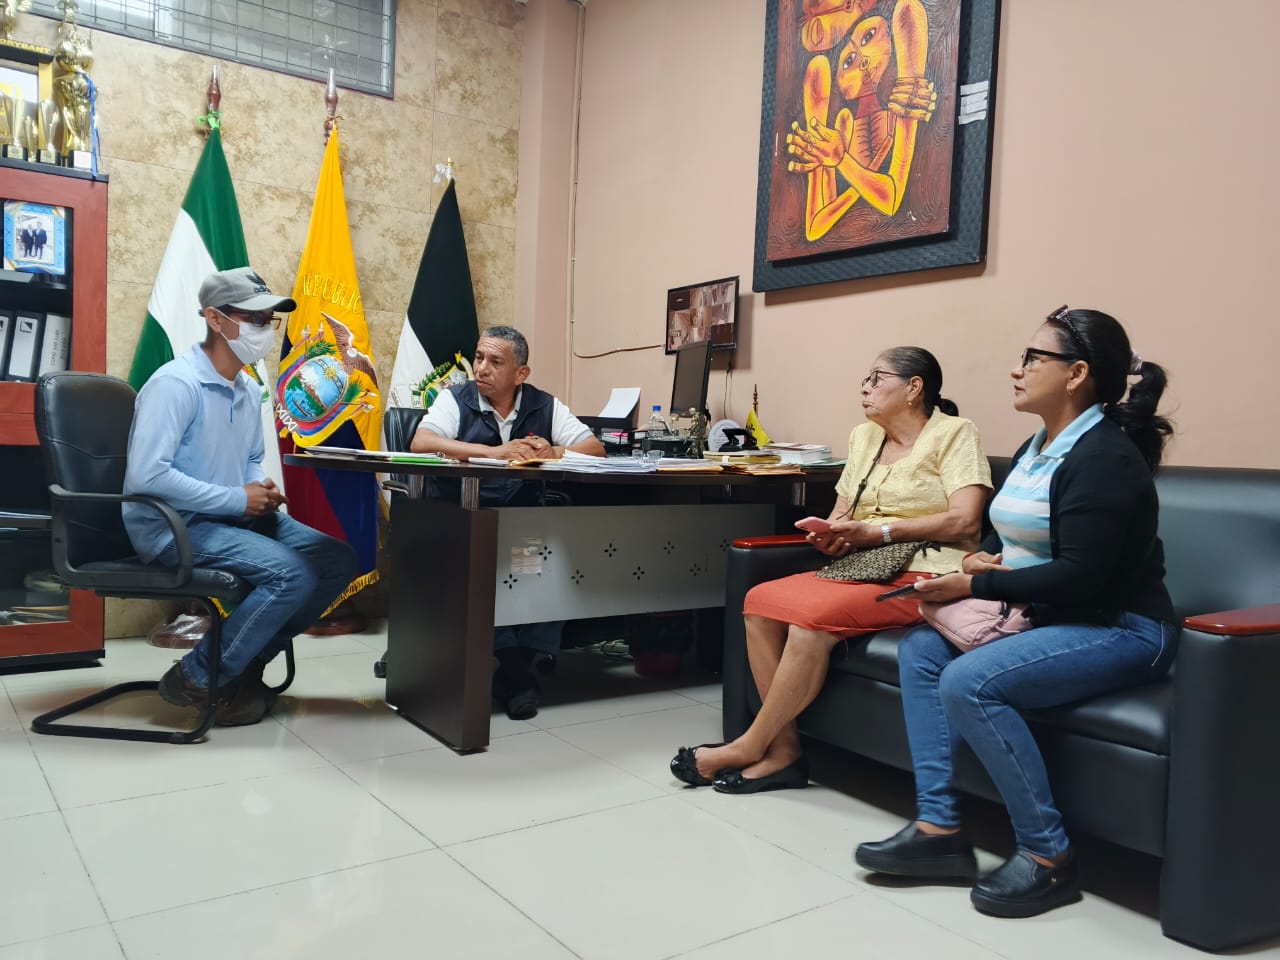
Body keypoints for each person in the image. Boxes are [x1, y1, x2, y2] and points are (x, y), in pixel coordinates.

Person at [856, 308, 1177, 920]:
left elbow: (1085, 576)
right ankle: (939, 831)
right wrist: (985, 556)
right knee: (922, 651)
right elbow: (1019, 534)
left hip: (1122, 628)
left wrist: (979, 582)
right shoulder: (1040, 446)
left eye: (1034, 358)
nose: (1017, 369)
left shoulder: (1104, 456)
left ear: (1076, 373)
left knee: (969, 681)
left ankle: (1049, 856)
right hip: (1055, 613)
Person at [671, 347, 991, 793]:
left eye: (877, 378)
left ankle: (750, 745)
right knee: (759, 601)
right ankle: (784, 752)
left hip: (927, 575)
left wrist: (878, 532)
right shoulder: (864, 437)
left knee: (809, 625)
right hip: (862, 567)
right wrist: (830, 534)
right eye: (866, 378)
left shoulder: (955, 433)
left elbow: (965, 521)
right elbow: (842, 514)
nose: (865, 388)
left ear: (914, 388)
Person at [122, 266, 358, 726]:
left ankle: (242, 662)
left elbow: (250, 459)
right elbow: (147, 477)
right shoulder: (175, 385)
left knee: (336, 559)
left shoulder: (248, 389)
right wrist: (236, 499)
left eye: (269, 319)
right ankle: (199, 676)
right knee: (291, 574)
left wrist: (259, 487)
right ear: (215, 319)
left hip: (229, 517)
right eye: (254, 319)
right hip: (174, 526)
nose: (264, 329)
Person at [410, 326, 605, 720]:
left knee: (556, 568)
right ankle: (516, 674)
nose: (481, 368)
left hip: (522, 524)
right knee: (484, 569)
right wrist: (493, 452)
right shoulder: (455, 398)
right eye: (479, 357)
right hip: (462, 519)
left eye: (495, 361)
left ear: (521, 373)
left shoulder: (543, 405)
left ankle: (517, 663)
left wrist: (554, 450)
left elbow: (595, 449)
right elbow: (422, 442)